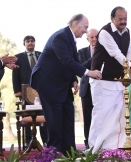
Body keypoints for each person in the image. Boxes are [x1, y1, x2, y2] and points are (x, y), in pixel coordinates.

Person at [30, 14, 102, 154]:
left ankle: (70, 152)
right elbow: (66, 60)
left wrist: (73, 80)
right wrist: (88, 72)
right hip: (48, 83)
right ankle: (54, 153)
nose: (86, 31)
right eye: (85, 27)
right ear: (76, 23)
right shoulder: (60, 37)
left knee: (68, 115)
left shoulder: (70, 39)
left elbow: (69, 63)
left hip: (61, 84)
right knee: (55, 120)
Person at [88, 6, 131, 153]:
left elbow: (127, 51)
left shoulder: (127, 31)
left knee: (117, 116)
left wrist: (129, 64)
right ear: (112, 19)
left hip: (118, 81)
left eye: (125, 19)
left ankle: (114, 148)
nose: (123, 22)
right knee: (102, 116)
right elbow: (115, 53)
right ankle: (94, 149)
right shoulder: (104, 32)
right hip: (102, 81)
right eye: (120, 19)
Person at [12, 35, 48, 147]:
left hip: (41, 92)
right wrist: (17, 91)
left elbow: (47, 72)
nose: (30, 43)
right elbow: (15, 75)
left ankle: (46, 140)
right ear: (24, 44)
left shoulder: (41, 55)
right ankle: (28, 141)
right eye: (28, 41)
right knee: (27, 116)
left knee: (43, 115)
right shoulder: (18, 58)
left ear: (35, 43)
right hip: (25, 93)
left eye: (32, 41)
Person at [78, 28, 98, 150]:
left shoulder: (106, 51)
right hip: (86, 90)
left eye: (96, 37)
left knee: (100, 117)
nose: (94, 39)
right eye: (92, 37)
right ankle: (88, 144)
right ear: (87, 39)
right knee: (87, 117)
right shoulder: (81, 52)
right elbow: (81, 67)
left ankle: (99, 142)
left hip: (101, 89)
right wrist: (96, 56)